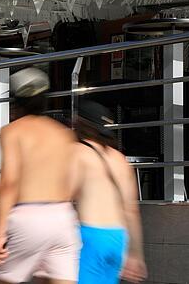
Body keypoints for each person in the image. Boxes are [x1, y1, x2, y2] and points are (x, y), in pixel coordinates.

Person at [0, 68, 79, 284]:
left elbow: (8, 183)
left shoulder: (13, 131)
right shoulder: (64, 133)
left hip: (28, 216)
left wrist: (0, 233)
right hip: (63, 218)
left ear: (17, 102)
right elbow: (73, 181)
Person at [72, 100, 147, 283]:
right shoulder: (120, 159)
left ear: (79, 123)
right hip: (118, 238)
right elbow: (131, 211)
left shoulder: (77, 152)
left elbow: (60, 195)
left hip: (89, 236)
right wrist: (136, 255)